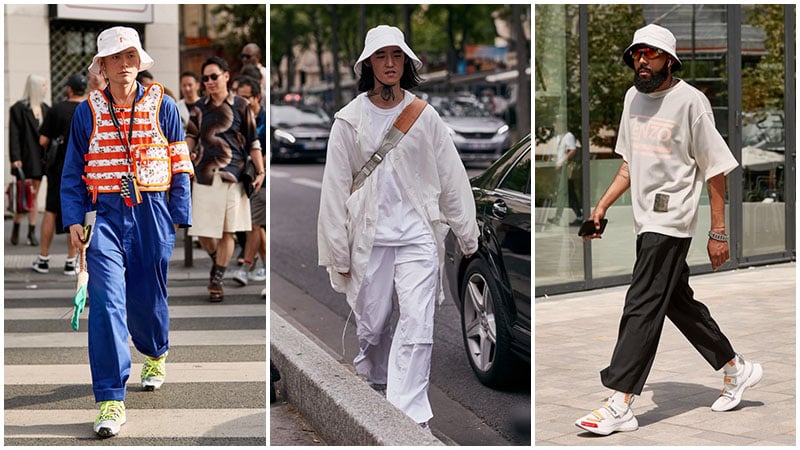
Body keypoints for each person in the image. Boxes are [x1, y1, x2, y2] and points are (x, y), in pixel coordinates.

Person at [574, 24, 762, 436]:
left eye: (652, 54)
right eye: (637, 54)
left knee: (641, 302)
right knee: (677, 303)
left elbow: (715, 169)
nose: (642, 61)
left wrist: (718, 232)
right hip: (645, 220)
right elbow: (629, 164)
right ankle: (736, 368)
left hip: (671, 219)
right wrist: (601, 208)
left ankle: (621, 401)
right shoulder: (631, 98)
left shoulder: (691, 102)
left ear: (669, 61)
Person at [317, 25, 479, 430]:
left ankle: (408, 415)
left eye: (396, 56)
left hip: (418, 237)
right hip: (368, 239)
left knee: (418, 323)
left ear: (406, 61)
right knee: (371, 323)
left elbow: (452, 177)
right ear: (368, 63)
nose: (390, 64)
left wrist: (466, 232)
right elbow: (334, 190)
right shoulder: (349, 120)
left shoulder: (424, 117)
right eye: (381, 56)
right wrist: (338, 253)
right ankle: (372, 373)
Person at [60, 26, 193, 438]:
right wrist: (73, 221)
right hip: (104, 215)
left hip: (152, 211)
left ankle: (155, 351)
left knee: (148, 296)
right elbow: (72, 171)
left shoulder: (163, 106)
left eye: (129, 56)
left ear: (139, 61)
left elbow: (180, 161)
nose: (123, 65)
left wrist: (178, 214)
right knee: (106, 302)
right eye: (114, 58)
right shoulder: (88, 111)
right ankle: (110, 398)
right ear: (101, 66)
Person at [185, 56, 265, 302]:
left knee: (227, 231)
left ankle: (216, 279)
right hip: (204, 175)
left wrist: (260, 171)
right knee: (204, 233)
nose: (209, 82)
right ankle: (217, 262)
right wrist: (184, 157)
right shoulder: (198, 108)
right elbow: (191, 136)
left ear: (226, 76)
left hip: (233, 175)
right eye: (205, 78)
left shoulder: (241, 105)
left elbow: (253, 141)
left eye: (214, 76)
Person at [32, 73, 87, 275]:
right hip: (84, 168)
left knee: (51, 211)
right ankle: (71, 261)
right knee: (76, 213)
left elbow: (43, 141)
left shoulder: (57, 109)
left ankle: (44, 259)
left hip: (59, 170)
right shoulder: (89, 109)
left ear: (69, 89)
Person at [231, 76, 267, 293]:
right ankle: (260, 266)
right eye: (239, 98)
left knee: (255, 224)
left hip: (261, 180)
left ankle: (247, 266)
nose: (242, 102)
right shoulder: (240, 118)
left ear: (257, 97)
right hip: (247, 178)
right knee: (256, 225)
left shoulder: (263, 119)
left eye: (246, 98)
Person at [9, 74, 50, 246]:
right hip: (25, 158)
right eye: (43, 86)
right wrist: (15, 157)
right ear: (35, 87)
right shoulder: (18, 109)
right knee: (23, 195)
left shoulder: (46, 109)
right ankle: (17, 225)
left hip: (40, 159)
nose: (45, 89)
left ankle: (32, 231)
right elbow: (14, 135)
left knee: (34, 196)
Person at [548, 119, 583, 226]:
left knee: (562, 193)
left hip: (565, 169)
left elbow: (572, 150)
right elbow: (560, 153)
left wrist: (562, 162)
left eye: (556, 124)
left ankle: (558, 217)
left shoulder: (569, 136)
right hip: (559, 168)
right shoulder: (558, 137)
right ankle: (580, 216)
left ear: (562, 125)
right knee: (570, 193)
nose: (555, 127)